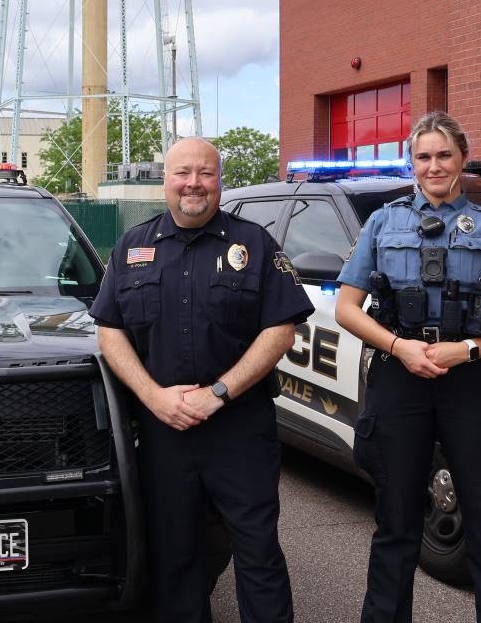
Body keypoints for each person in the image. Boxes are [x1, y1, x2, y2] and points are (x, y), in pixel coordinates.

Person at [89, 137, 313, 623]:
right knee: (175, 556)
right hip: (163, 430)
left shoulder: (253, 244)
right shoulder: (132, 248)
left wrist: (219, 394)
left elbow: (281, 329)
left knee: (258, 552)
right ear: (164, 181)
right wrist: (153, 398)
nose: (194, 184)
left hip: (239, 427)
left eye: (205, 174)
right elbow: (109, 331)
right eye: (183, 173)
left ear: (219, 180)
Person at [335, 111, 481, 623]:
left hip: (469, 381)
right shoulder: (383, 222)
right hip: (401, 379)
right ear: (411, 162)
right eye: (423, 156)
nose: (433, 166)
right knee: (396, 525)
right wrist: (399, 347)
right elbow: (346, 309)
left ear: (463, 159)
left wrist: (466, 350)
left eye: (444, 155)